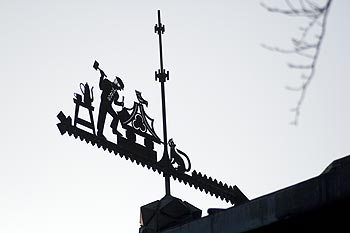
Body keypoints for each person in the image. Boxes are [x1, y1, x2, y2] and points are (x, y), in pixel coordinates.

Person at [96, 69, 124, 139]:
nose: (118, 88)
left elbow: (115, 102)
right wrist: (101, 77)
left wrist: (120, 103)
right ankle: (99, 133)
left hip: (108, 106)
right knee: (102, 117)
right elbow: (101, 87)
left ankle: (114, 129)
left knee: (116, 117)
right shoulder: (107, 83)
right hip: (103, 103)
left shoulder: (116, 94)